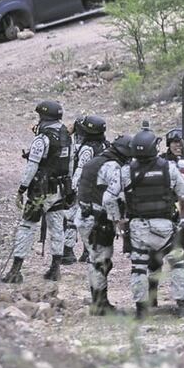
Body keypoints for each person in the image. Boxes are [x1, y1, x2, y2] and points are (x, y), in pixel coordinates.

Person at [103, 129, 184, 319]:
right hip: (166, 228)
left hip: (138, 228)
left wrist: (118, 219)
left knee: (138, 267)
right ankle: (183, 306)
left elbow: (108, 199)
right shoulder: (168, 168)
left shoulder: (126, 171)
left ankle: (141, 310)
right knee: (178, 264)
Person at [2, 100, 73, 284]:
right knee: (57, 227)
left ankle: (15, 271)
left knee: (27, 226)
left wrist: (21, 189)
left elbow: (32, 165)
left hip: (40, 190)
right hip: (59, 189)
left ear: (42, 116)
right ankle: (55, 269)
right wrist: (69, 187)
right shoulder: (66, 135)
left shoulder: (42, 138)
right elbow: (70, 164)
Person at [75, 133, 132, 315]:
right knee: (101, 261)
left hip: (86, 216)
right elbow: (110, 198)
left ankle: (98, 301)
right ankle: (100, 304)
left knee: (97, 261)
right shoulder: (112, 166)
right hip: (97, 220)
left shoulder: (96, 161)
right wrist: (118, 219)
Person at [64, 114, 108, 265]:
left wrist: (72, 188)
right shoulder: (105, 146)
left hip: (86, 188)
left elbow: (81, 169)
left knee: (71, 218)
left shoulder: (87, 149)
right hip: (100, 189)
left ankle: (68, 251)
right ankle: (88, 251)